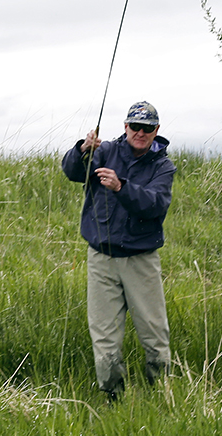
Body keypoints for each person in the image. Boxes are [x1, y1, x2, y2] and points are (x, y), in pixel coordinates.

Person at [62, 101, 175, 400]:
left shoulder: (163, 166)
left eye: (147, 128)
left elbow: (155, 204)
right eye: (135, 126)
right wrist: (82, 149)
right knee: (104, 337)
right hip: (101, 258)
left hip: (141, 261)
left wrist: (120, 187)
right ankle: (113, 397)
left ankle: (162, 393)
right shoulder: (105, 151)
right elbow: (72, 172)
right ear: (125, 127)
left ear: (156, 131)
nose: (140, 132)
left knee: (154, 333)